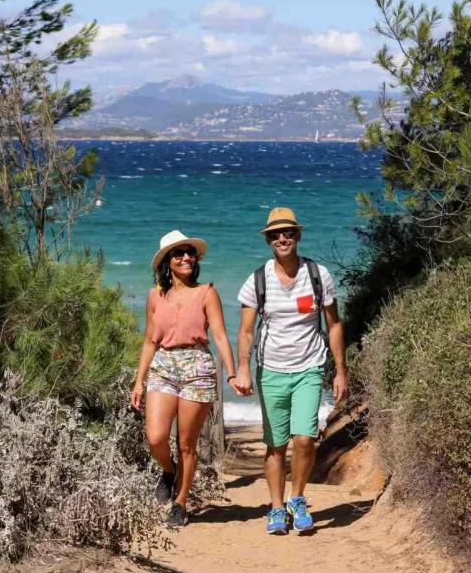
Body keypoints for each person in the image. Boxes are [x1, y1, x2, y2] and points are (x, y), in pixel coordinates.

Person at [235, 207, 347, 535]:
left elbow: (334, 324)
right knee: (276, 444)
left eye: (287, 233)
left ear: (297, 235)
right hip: (270, 370)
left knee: (304, 439)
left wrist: (340, 371)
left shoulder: (317, 275)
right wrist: (242, 369)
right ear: (268, 241)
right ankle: (276, 508)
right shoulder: (257, 279)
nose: (281, 239)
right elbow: (245, 331)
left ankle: (297, 498)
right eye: (274, 235)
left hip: (310, 367)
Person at [131, 229, 238, 529]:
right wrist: (139, 380)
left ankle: (180, 502)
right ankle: (168, 470)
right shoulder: (155, 296)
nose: (187, 257)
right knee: (156, 437)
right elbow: (150, 341)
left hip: (198, 368)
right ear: (167, 261)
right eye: (179, 253)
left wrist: (231, 371)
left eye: (190, 253)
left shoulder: (206, 293)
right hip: (163, 365)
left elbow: (218, 334)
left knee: (187, 443)